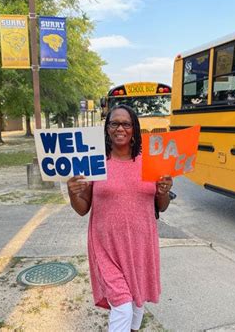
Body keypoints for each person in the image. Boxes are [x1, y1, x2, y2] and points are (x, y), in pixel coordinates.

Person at [67, 104, 173, 332]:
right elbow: (82, 209)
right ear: (107, 128)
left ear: (134, 128)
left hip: (141, 245)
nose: (120, 128)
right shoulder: (94, 162)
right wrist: (72, 191)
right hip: (106, 247)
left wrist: (163, 192)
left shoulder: (151, 161)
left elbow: (160, 206)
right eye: (114, 123)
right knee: (123, 306)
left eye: (126, 123)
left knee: (137, 301)